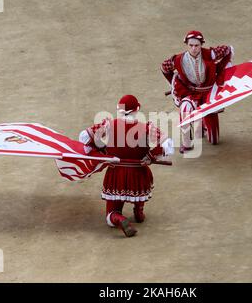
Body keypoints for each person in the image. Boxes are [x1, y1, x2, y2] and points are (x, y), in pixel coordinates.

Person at [79, 95, 174, 237]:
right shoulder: (146, 127)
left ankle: (120, 218)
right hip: (138, 174)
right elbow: (168, 145)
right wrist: (150, 157)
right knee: (140, 187)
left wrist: (104, 151)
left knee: (111, 214)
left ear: (119, 109)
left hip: (116, 175)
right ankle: (139, 212)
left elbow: (84, 137)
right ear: (138, 109)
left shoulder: (109, 124)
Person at [161, 30, 233, 153]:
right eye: (191, 45)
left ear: (201, 44)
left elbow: (228, 50)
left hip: (208, 92)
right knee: (185, 109)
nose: (194, 48)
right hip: (190, 93)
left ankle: (204, 124)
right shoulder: (178, 60)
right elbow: (164, 67)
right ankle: (187, 143)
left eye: (197, 45)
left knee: (214, 140)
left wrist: (221, 70)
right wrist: (174, 82)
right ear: (187, 45)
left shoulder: (210, 54)